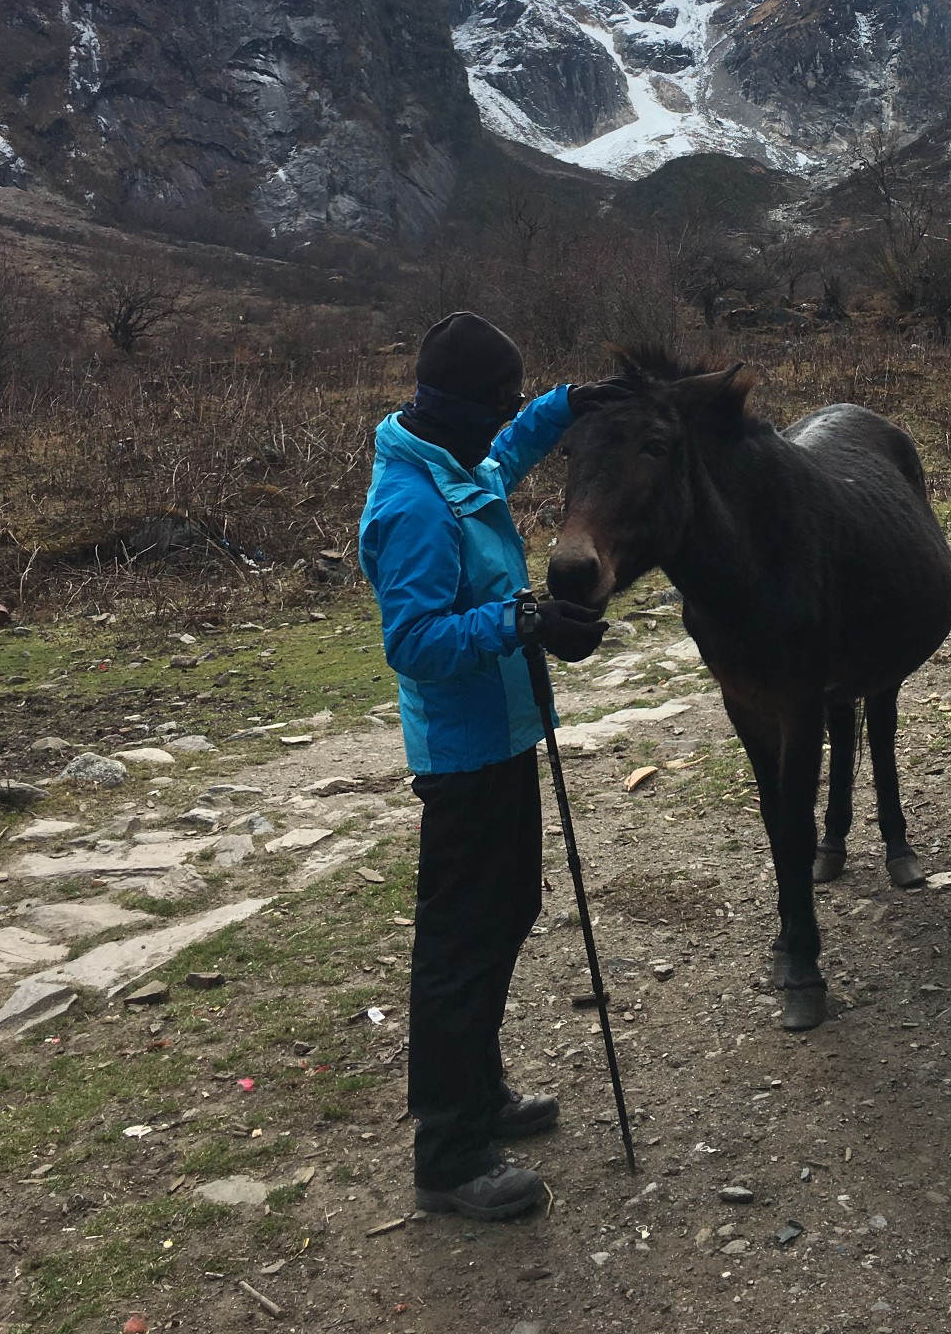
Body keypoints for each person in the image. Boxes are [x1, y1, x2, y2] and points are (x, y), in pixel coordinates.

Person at [358, 311, 626, 1221]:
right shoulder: (410, 506)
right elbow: (415, 642)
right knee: (458, 947)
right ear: (456, 406)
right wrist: (521, 622)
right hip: (464, 752)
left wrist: (566, 406)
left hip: (509, 731)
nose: (505, 417)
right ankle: (448, 1153)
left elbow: (505, 453)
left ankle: (482, 1094)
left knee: (510, 909)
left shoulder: (456, 457)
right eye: (502, 401)